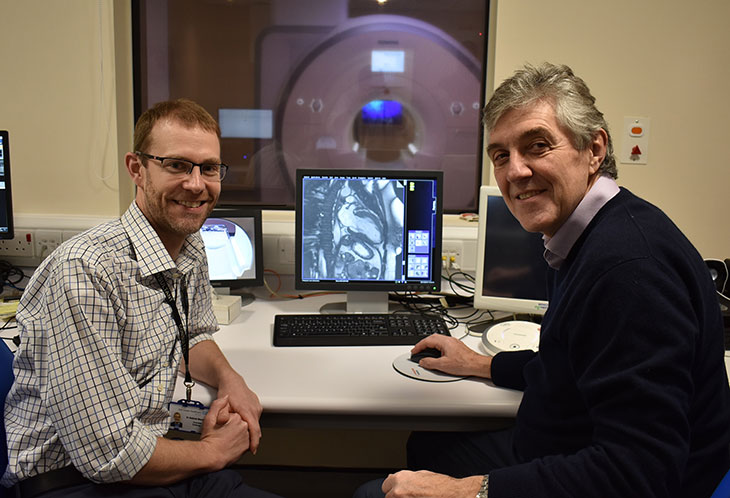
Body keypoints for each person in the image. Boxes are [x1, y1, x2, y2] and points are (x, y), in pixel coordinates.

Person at [354, 63, 730, 498]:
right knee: (425, 443)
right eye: (501, 155)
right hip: (559, 446)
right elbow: (566, 363)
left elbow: (639, 472)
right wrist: (480, 363)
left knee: (373, 494)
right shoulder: (583, 235)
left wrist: (467, 492)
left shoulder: (629, 269)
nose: (515, 171)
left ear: (593, 149)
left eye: (537, 145)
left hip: (614, 474)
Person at [1, 99, 282, 498]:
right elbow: (109, 456)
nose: (197, 184)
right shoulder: (85, 271)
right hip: (75, 483)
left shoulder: (189, 245)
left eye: (209, 168)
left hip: (154, 458)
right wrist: (214, 451)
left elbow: (194, 335)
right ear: (137, 169)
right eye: (177, 165)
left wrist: (230, 381)